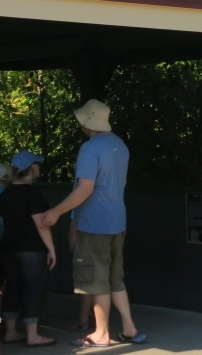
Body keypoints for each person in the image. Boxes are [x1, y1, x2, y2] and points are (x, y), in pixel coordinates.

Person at [40, 99, 146, 347]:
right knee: (115, 278)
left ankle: (101, 333)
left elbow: (85, 189)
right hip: (118, 221)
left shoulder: (90, 149)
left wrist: (56, 211)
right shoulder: (120, 145)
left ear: (87, 122)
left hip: (94, 223)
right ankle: (129, 327)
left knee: (97, 281)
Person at [0, 150, 56, 346]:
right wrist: (51, 249)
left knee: (12, 287)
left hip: (8, 245)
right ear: (31, 169)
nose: (39, 167)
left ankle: (11, 332)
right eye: (37, 164)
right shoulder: (33, 193)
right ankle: (33, 335)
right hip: (31, 248)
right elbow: (41, 223)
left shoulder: (5, 193)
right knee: (32, 290)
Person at [63, 209, 94, 333]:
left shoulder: (80, 206)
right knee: (100, 284)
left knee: (85, 287)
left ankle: (83, 322)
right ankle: (94, 316)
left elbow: (72, 231)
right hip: (104, 247)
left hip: (84, 249)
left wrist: (73, 249)